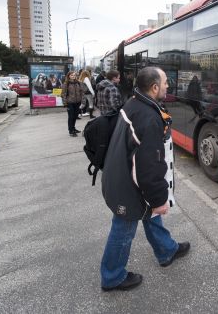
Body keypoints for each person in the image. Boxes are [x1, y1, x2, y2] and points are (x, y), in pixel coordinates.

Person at [100, 66, 190, 291]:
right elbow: (149, 168)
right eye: (166, 82)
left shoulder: (135, 103)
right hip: (127, 186)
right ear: (154, 87)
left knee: (150, 215)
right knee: (123, 229)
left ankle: (166, 250)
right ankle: (112, 277)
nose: (168, 85)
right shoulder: (148, 118)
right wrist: (160, 199)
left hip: (120, 176)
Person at [61, 70, 83, 137]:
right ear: (69, 76)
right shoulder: (66, 84)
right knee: (71, 117)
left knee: (75, 116)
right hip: (70, 103)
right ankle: (71, 131)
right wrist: (65, 103)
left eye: (74, 75)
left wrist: (82, 101)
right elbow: (63, 94)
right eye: (72, 75)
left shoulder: (78, 83)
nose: (73, 76)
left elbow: (81, 92)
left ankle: (73, 128)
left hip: (77, 102)